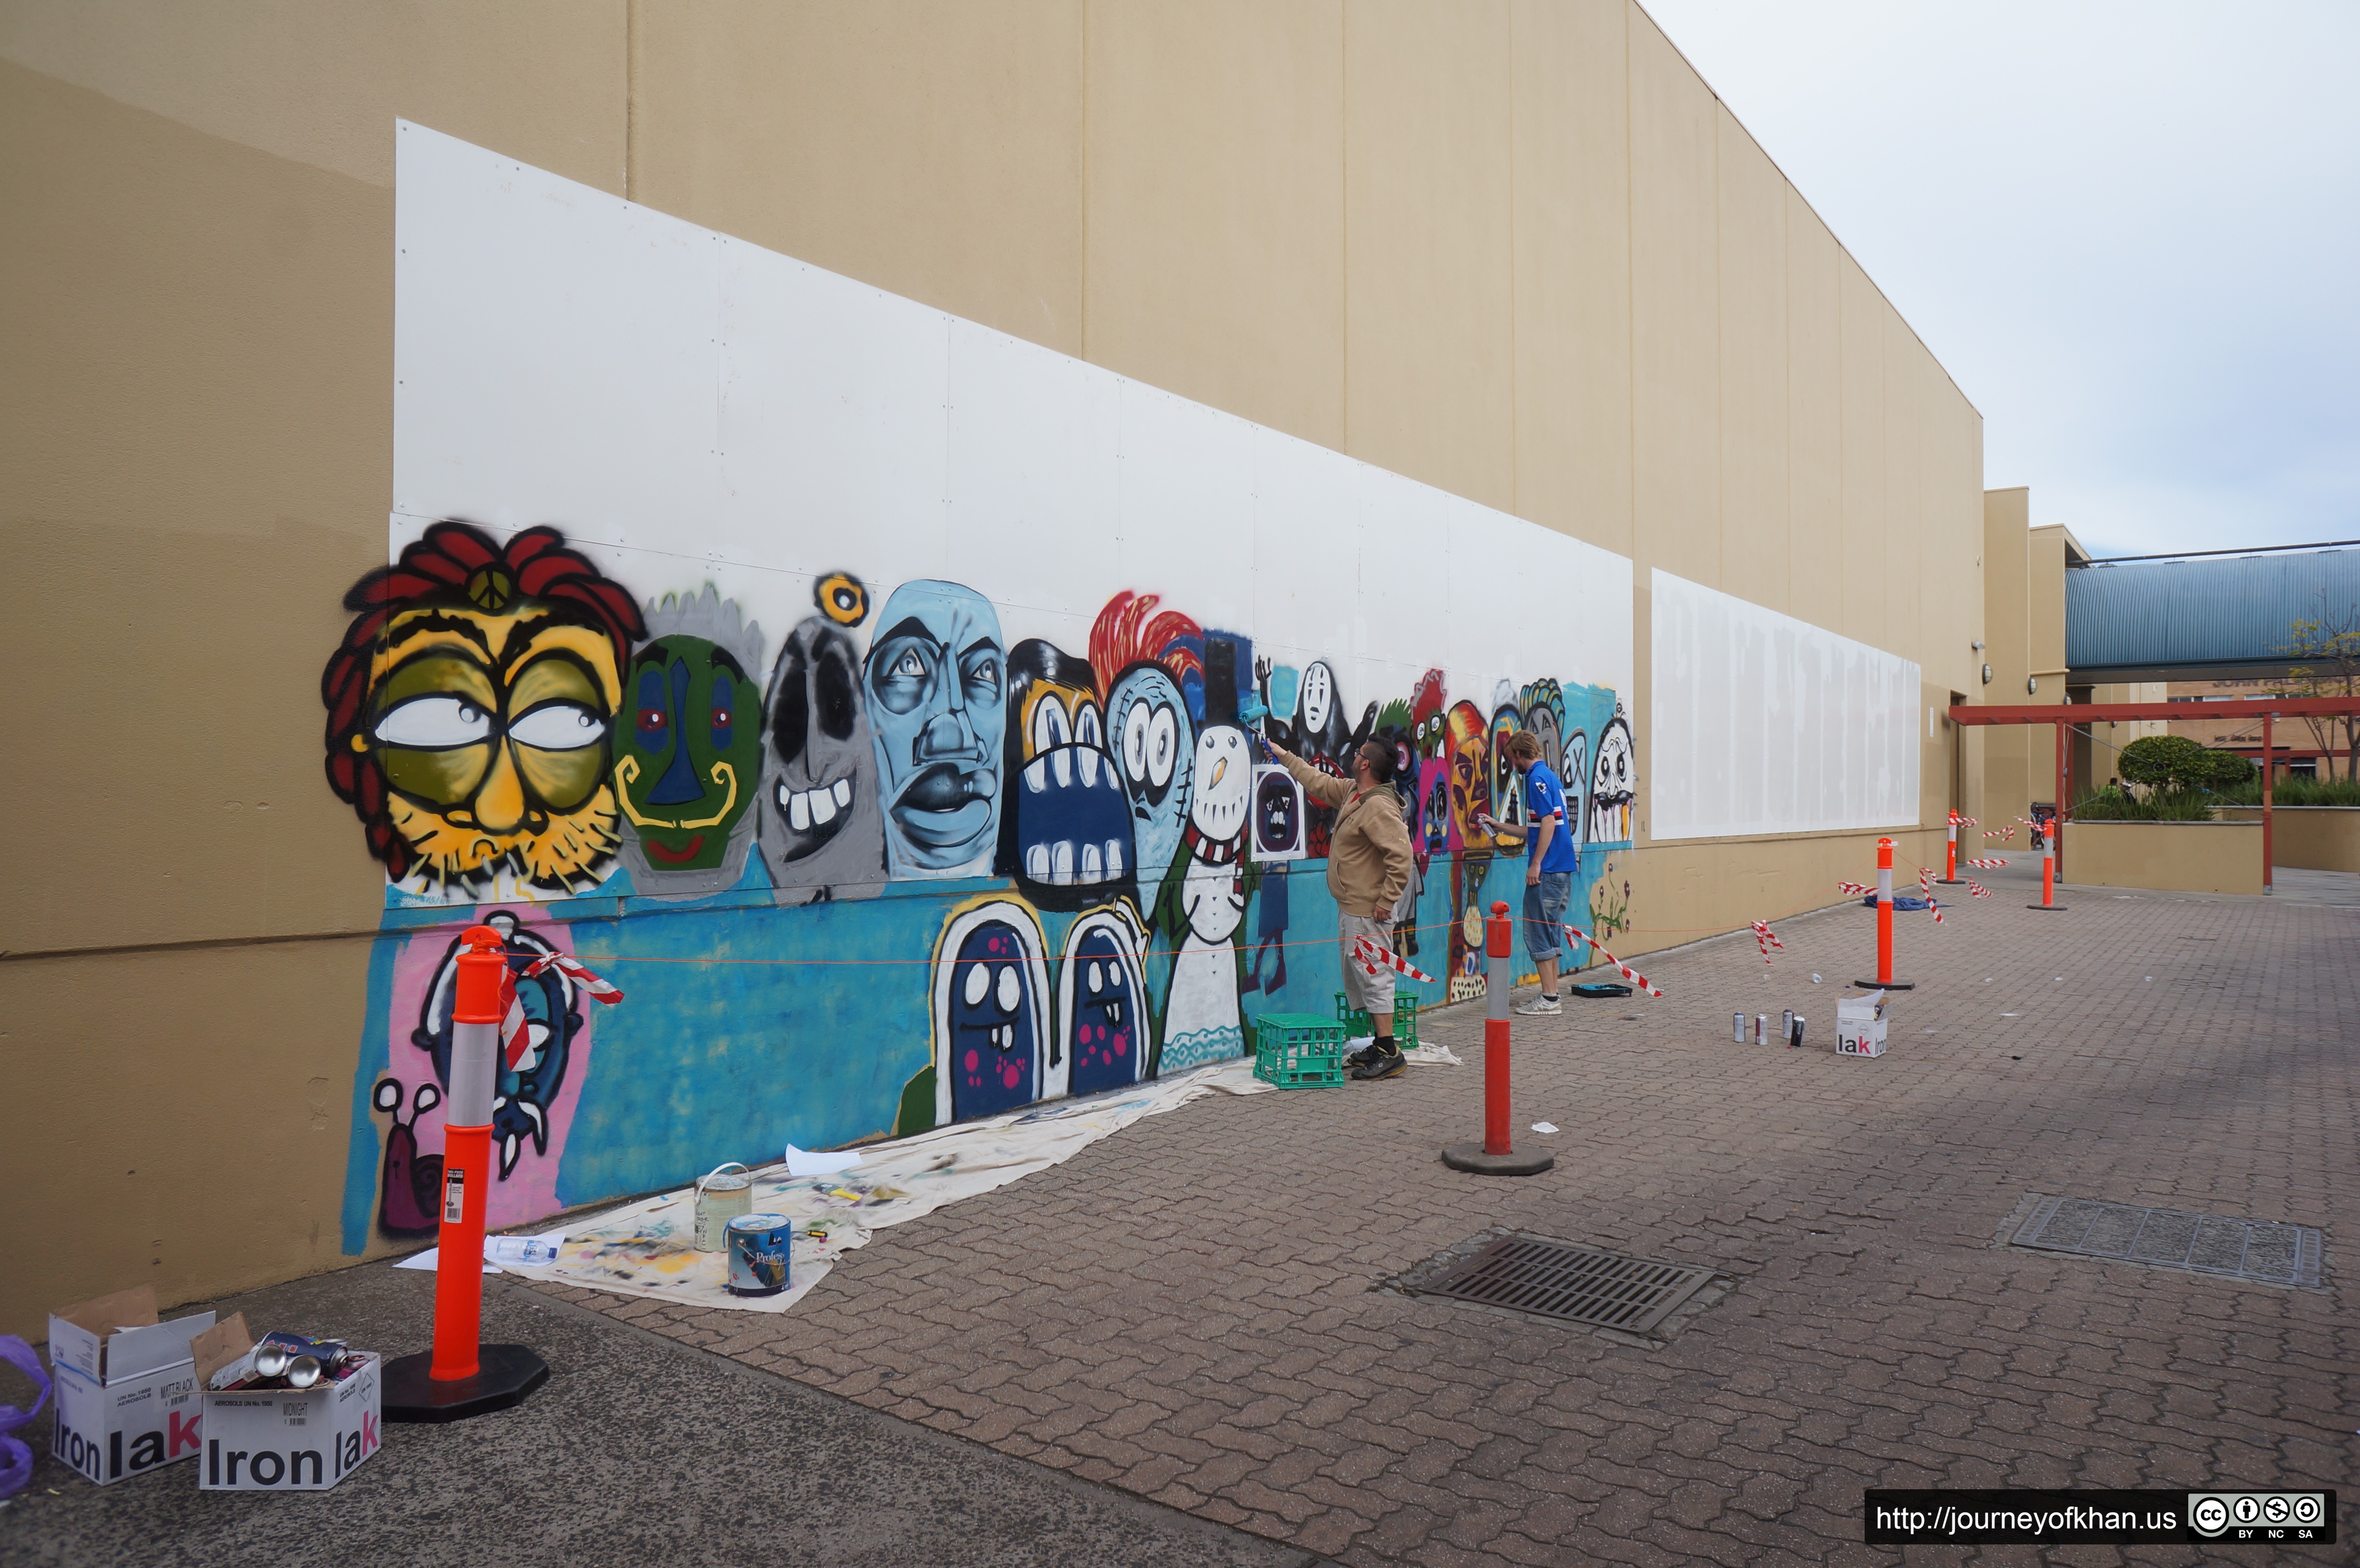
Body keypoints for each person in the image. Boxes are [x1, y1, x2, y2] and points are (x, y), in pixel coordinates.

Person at [1260, 731, 1417, 1080]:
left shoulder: (1376, 806)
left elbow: (1402, 855)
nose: (1356, 754)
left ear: (1365, 764)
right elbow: (1317, 782)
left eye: (1360, 752)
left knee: (1374, 976)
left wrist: (1386, 900)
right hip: (1354, 908)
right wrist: (1283, 754)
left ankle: (1389, 1051)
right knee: (1360, 975)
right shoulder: (1353, 793)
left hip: (1367, 911)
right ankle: (1380, 1044)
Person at [1482, 731, 1579, 1015]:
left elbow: (1547, 823)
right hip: (1561, 869)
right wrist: (1500, 826)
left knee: (1538, 933)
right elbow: (1538, 827)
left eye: (1512, 758)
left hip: (1547, 870)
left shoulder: (1534, 779)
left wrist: (1536, 864)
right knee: (1550, 933)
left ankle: (1549, 999)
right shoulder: (1549, 777)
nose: (1512, 764)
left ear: (1520, 755)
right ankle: (1552, 996)